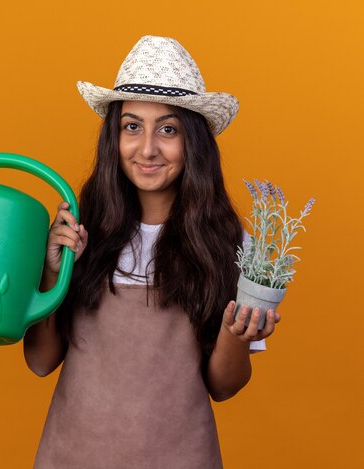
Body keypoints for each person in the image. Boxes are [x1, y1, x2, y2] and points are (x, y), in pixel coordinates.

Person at [23, 36, 280, 468]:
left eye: (167, 129)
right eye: (132, 126)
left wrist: (237, 336)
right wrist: (52, 274)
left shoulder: (230, 244)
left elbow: (223, 386)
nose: (147, 149)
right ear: (114, 137)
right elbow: (40, 361)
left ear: (192, 142)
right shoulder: (82, 231)